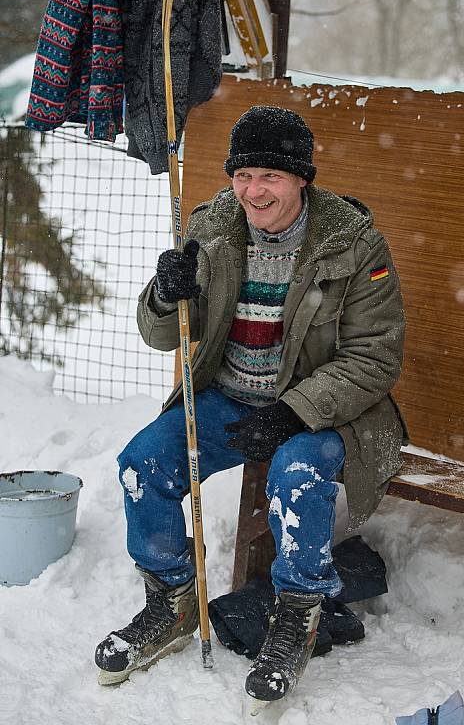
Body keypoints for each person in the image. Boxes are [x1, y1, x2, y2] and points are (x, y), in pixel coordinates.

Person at [95, 105, 408, 704]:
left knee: (295, 474)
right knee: (143, 465)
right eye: (242, 174)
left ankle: (296, 614)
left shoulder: (353, 245)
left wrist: (293, 413)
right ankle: (172, 600)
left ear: (300, 180)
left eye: (269, 176)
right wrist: (165, 296)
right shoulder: (211, 228)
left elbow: (375, 359)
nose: (251, 191)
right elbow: (162, 334)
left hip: (320, 409)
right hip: (228, 396)